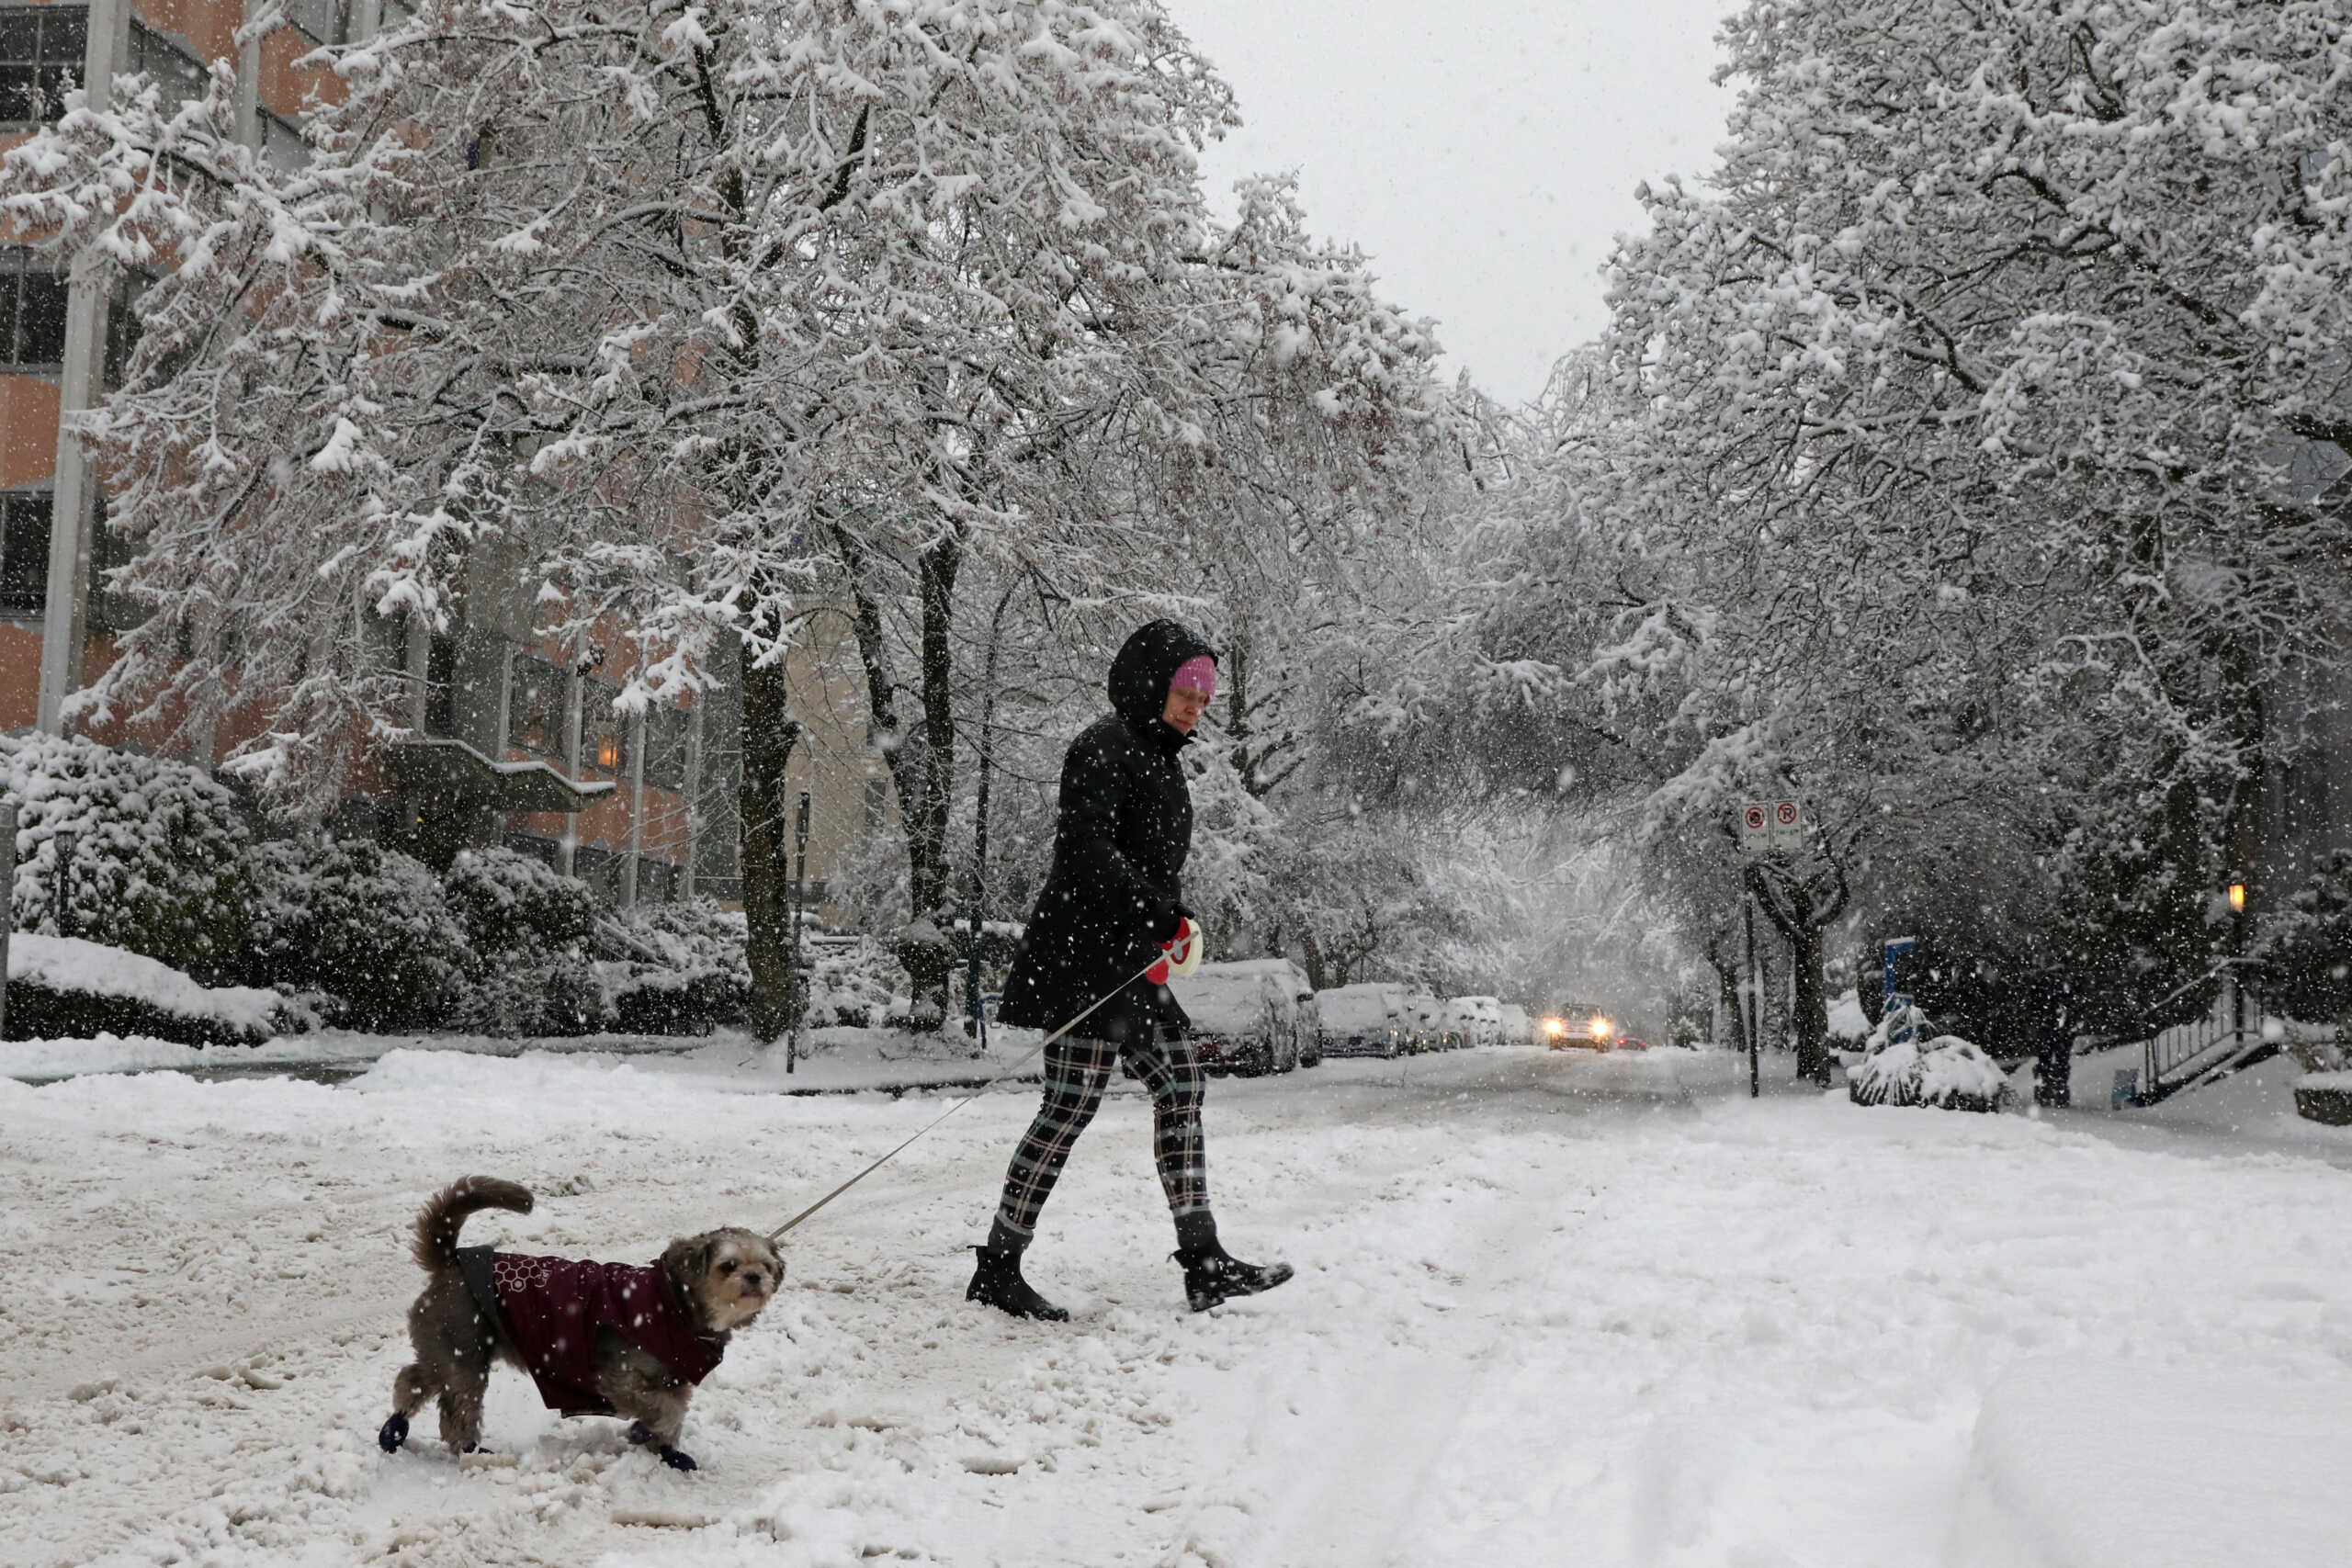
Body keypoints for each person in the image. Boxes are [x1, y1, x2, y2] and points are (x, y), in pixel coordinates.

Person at [967, 620, 1294, 1319]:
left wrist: (1176, 920)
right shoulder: (1102, 747)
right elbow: (1087, 851)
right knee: (1068, 1108)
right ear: (1152, 683)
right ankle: (999, 1263)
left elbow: (1147, 864)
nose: (1193, 708)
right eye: (1185, 692)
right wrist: (1158, 915)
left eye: (1204, 699)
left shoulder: (1161, 759)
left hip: (1132, 964)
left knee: (1181, 1084)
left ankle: (1204, 1262)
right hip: (1084, 961)